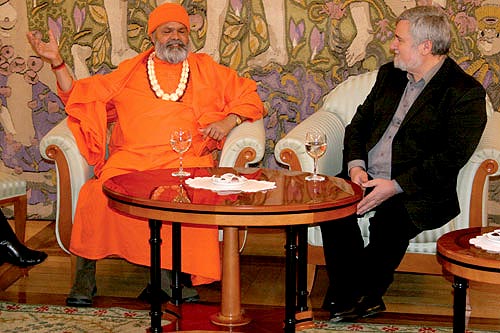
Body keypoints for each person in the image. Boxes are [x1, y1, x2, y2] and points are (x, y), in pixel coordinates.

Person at [27, 3, 264, 307]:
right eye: (167, 31)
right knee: (95, 194)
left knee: (177, 197)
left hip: (186, 162)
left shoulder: (208, 70)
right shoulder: (130, 72)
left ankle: (171, 277)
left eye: (181, 31)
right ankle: (85, 279)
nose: (175, 37)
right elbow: (79, 96)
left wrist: (228, 121)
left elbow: (251, 98)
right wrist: (57, 62)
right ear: (153, 37)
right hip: (132, 162)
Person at [319, 6, 487, 322]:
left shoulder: (464, 93)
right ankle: (361, 294)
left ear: (426, 46)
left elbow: (451, 157)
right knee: (333, 205)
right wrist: (355, 166)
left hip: (418, 186)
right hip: (366, 173)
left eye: (399, 39)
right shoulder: (390, 75)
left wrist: (394, 186)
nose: (392, 45)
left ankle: (352, 292)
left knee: (390, 220)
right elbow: (357, 125)